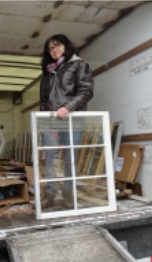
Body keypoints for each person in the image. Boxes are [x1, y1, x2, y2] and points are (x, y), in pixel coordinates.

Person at [40, 34, 94, 209]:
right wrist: (42, 121)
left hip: (72, 120)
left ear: (66, 46)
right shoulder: (48, 71)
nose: (54, 50)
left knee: (70, 158)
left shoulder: (79, 65)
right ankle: (50, 194)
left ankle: (68, 194)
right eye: (50, 48)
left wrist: (68, 107)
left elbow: (86, 91)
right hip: (51, 122)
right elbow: (43, 100)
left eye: (57, 46)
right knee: (50, 158)